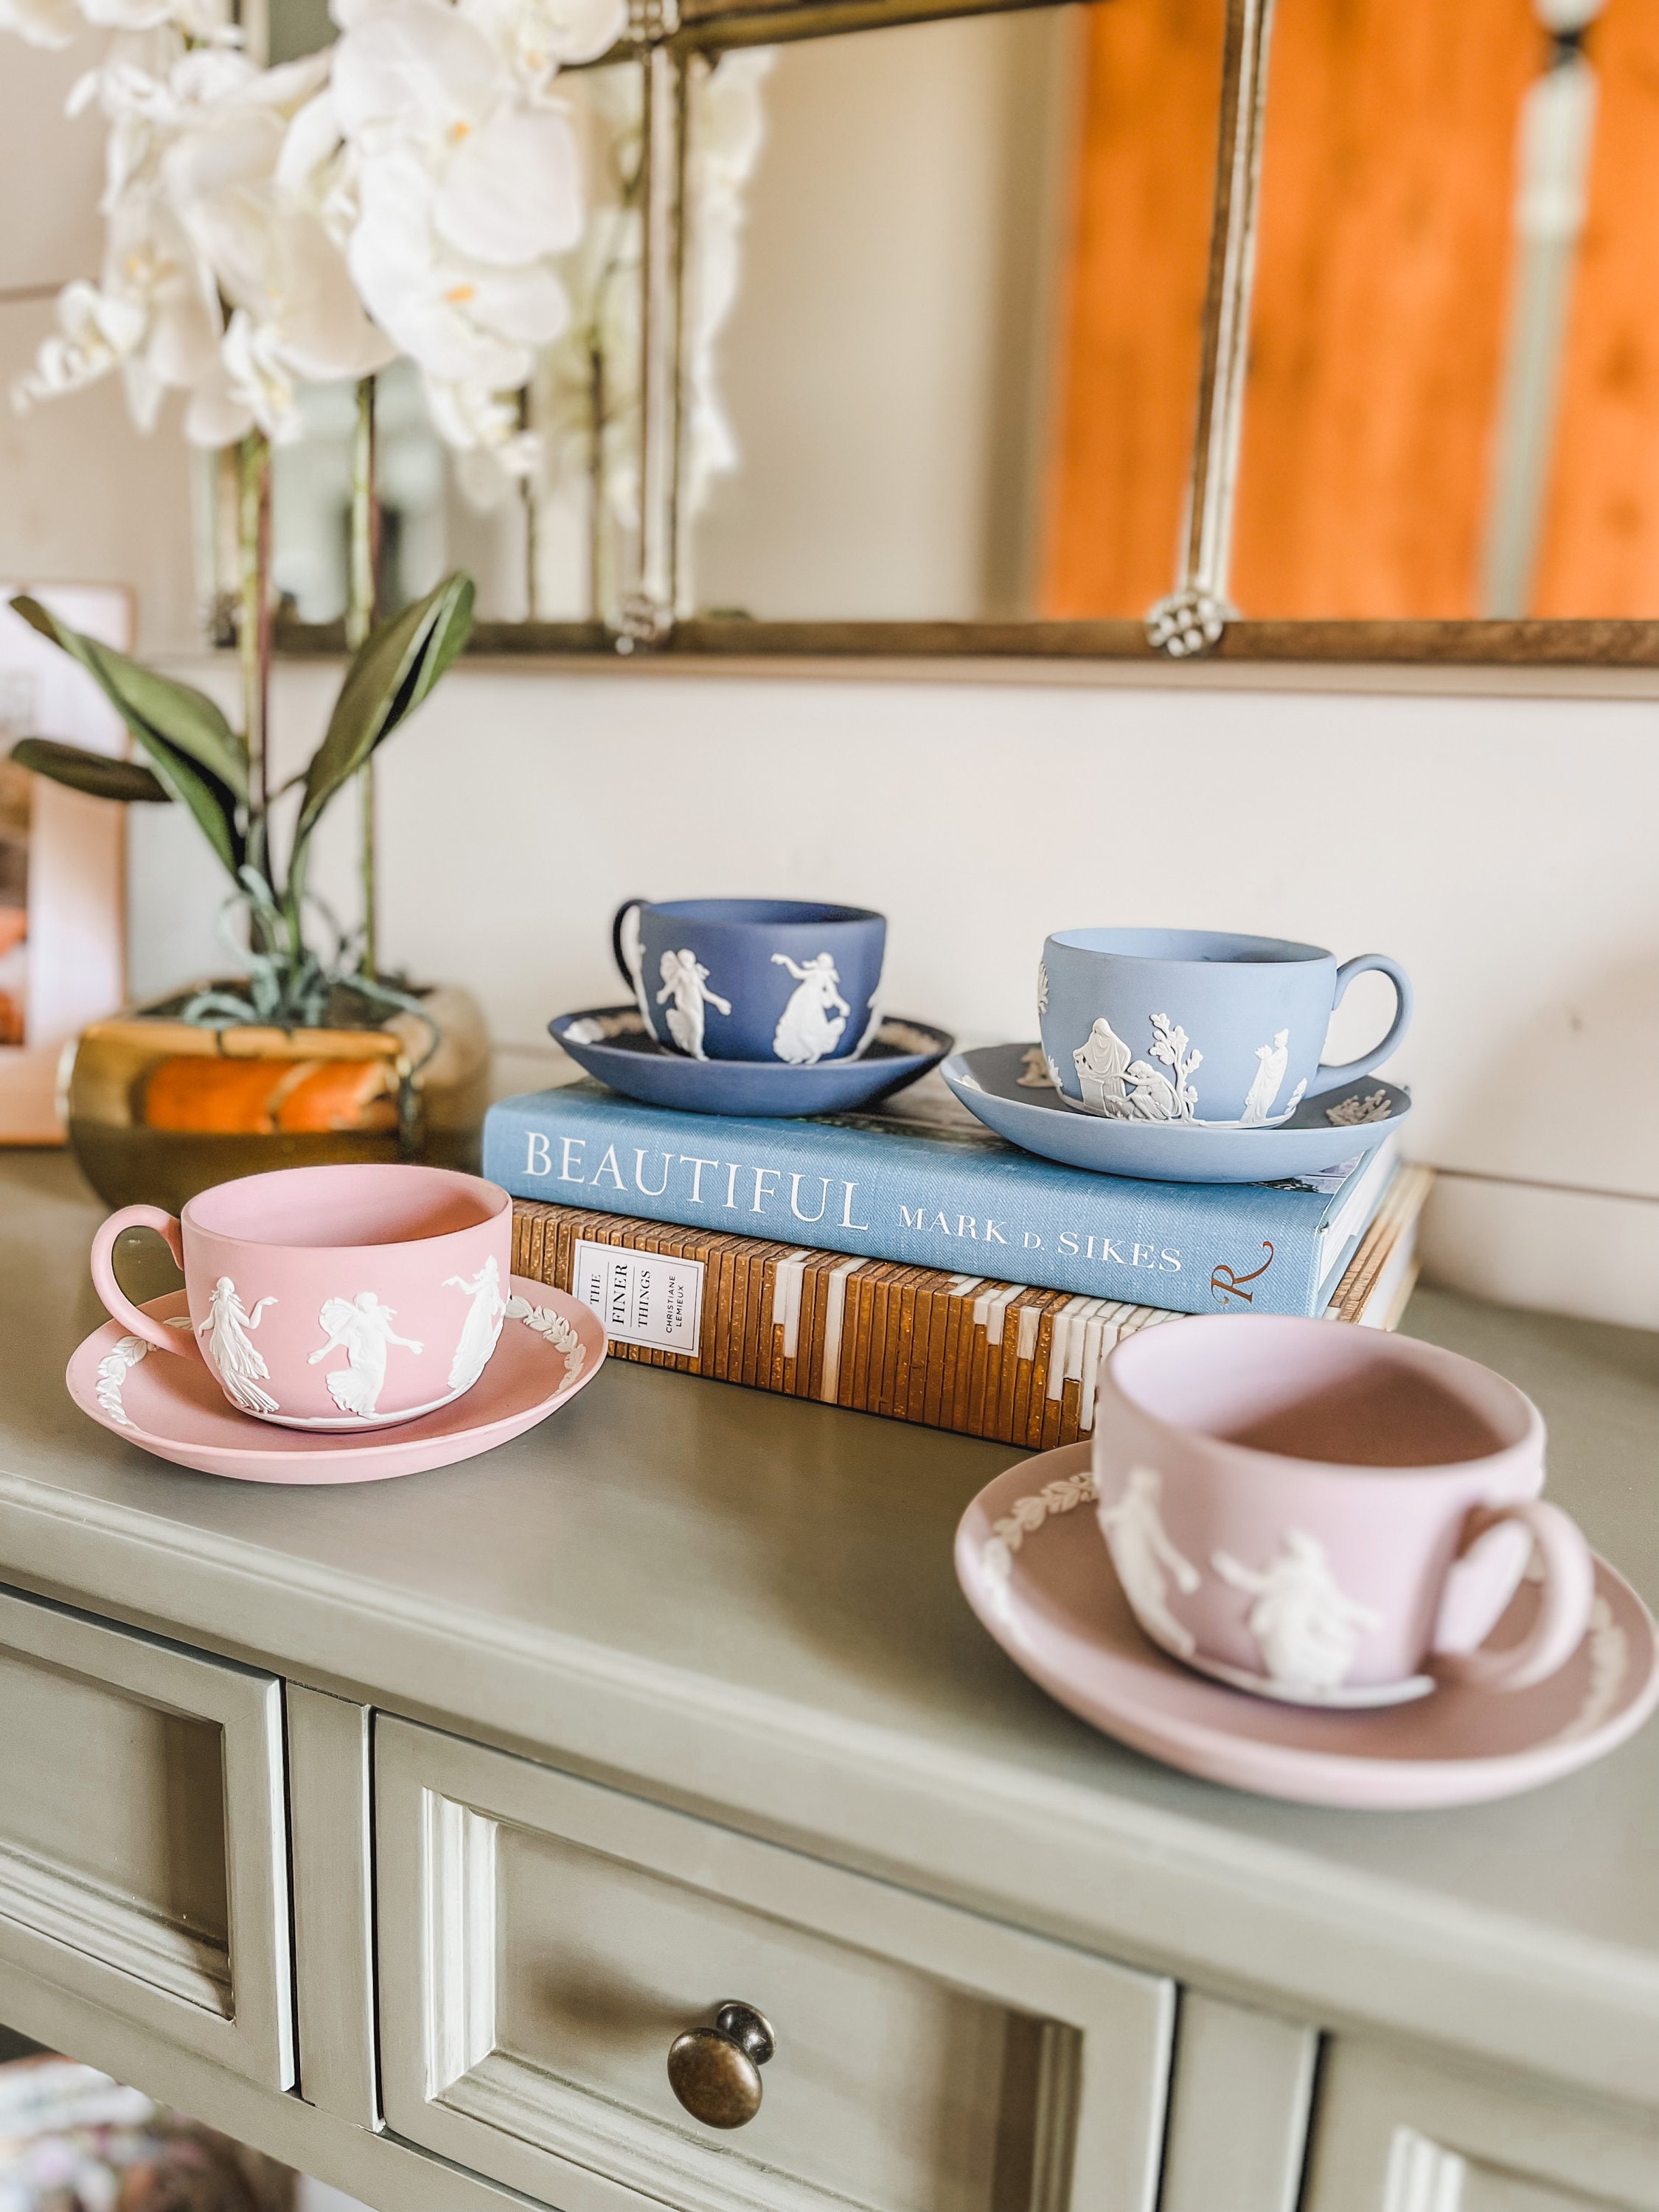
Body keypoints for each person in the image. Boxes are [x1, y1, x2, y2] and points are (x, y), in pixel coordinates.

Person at [309, 1291, 422, 1418]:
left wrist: (409, 1343)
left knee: (365, 1381)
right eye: (365, 1303)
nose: (368, 1305)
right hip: (365, 1356)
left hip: (379, 1356)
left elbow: (391, 1338)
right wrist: (324, 1351)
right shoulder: (357, 1319)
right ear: (359, 1305)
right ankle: (366, 1409)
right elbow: (341, 1335)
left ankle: (344, 1396)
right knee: (376, 1383)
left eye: (371, 1302)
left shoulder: (378, 1317)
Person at [197, 1277, 278, 1416]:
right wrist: (201, 1327)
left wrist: (260, 1305)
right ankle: (247, 1399)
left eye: (226, 1289)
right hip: (221, 1342)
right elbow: (211, 1321)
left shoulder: (230, 1306)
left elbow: (250, 1324)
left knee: (230, 1373)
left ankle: (260, 1402)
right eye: (221, 1288)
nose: (223, 1291)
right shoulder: (217, 1305)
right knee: (226, 1373)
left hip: (231, 1343)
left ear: (230, 1291)